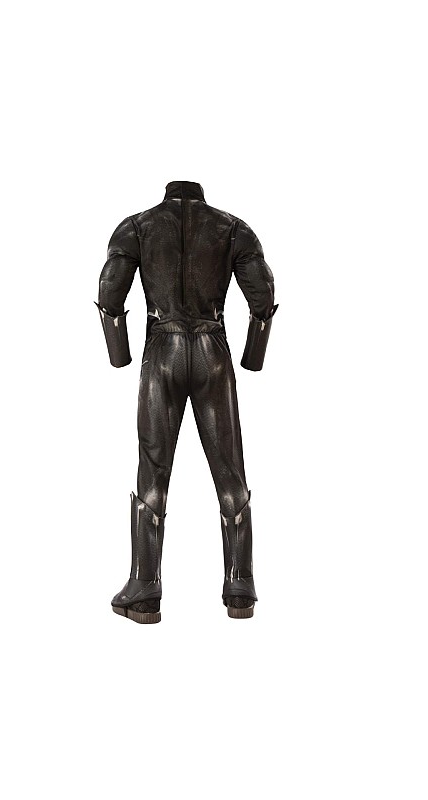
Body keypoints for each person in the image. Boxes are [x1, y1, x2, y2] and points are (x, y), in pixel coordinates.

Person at [95, 181, 278, 623]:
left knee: (153, 469)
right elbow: (263, 293)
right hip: (213, 351)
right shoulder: (232, 228)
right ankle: (240, 584)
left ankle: (144, 586)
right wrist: (253, 356)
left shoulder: (138, 227)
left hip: (162, 351)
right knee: (230, 469)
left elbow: (110, 288)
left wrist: (119, 354)